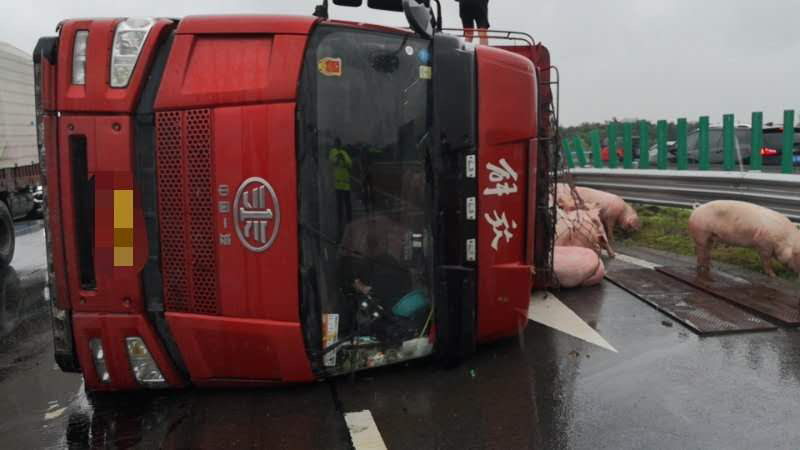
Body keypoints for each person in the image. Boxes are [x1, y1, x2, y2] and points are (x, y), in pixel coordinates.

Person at [329, 138, 353, 236]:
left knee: (348, 204)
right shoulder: (333, 152)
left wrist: (343, 157)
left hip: (346, 185)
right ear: (335, 144)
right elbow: (332, 161)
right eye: (336, 143)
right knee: (339, 205)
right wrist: (338, 157)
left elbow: (349, 164)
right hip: (338, 185)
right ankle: (340, 222)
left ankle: (349, 221)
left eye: (339, 143)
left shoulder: (344, 152)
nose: (337, 144)